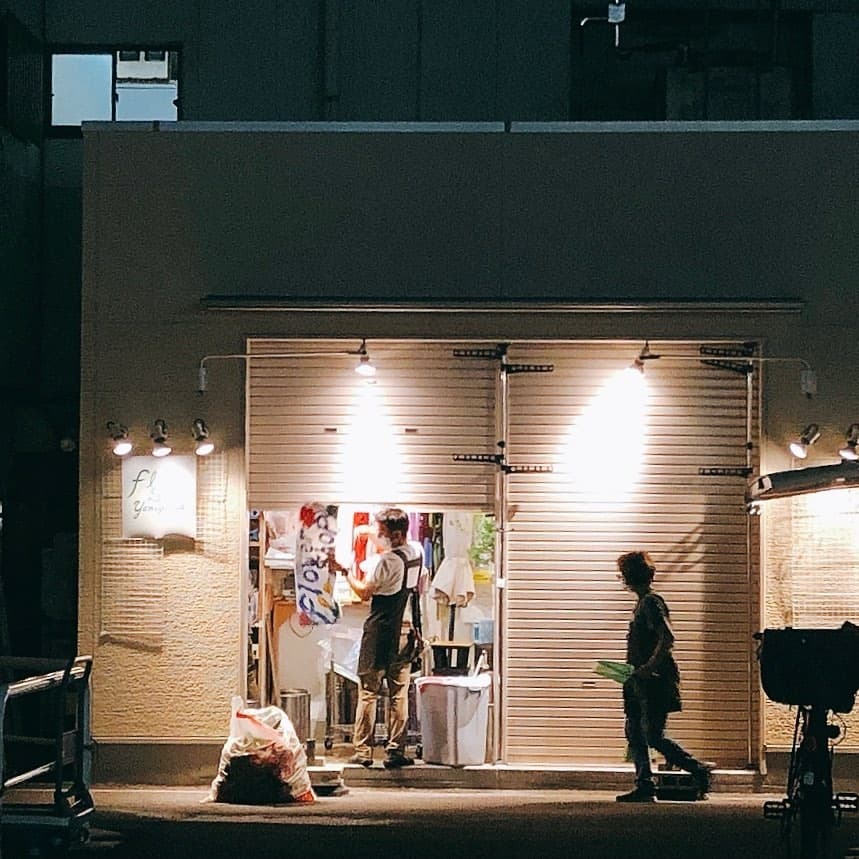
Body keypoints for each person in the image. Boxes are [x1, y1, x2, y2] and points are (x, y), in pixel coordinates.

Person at [615, 550, 714, 802]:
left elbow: (667, 637)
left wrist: (649, 666)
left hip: (653, 680)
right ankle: (644, 782)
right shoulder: (642, 604)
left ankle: (697, 769)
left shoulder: (650, 603)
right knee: (634, 730)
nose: (622, 579)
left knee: (651, 734)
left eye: (624, 574)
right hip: (639, 679)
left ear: (630, 576)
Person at [344, 507, 423, 769]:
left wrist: (346, 572)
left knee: (368, 692)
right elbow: (386, 546)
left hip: (380, 632)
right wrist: (367, 531)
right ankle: (395, 751)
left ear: (397, 534)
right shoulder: (416, 552)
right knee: (399, 693)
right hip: (404, 630)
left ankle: (363, 752)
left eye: (382, 532)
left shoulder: (386, 562)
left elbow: (365, 592)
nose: (378, 536)